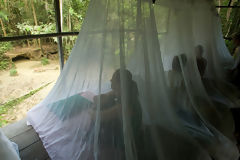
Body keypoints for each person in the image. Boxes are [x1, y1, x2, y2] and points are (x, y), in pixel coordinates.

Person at [90, 69, 143, 159]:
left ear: (120, 84)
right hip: (127, 129)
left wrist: (92, 110)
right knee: (107, 103)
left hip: (127, 138)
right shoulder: (124, 92)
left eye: (113, 78)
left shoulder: (125, 106)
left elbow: (98, 117)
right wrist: (105, 98)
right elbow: (97, 98)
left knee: (98, 123)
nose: (110, 80)